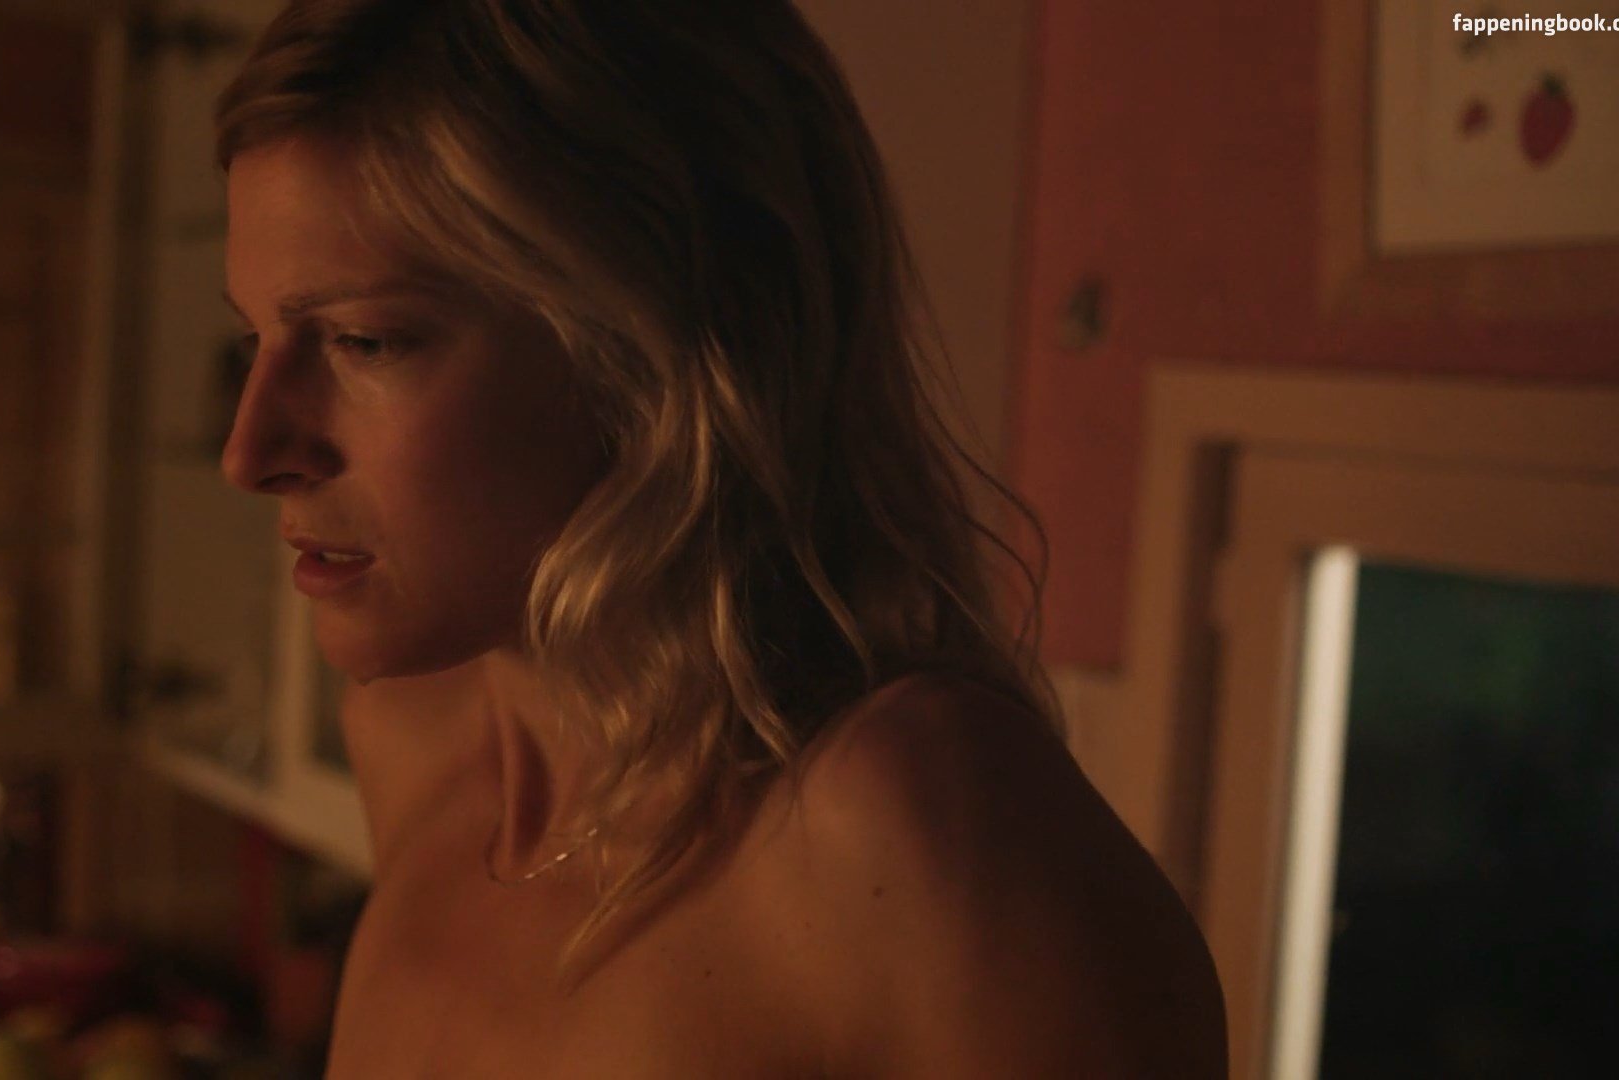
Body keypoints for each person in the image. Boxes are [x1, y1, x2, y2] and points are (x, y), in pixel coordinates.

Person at [215, 0, 1227, 1074]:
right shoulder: (416, 743)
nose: (251, 450)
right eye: (255, 337)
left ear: (650, 346)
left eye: (365, 340)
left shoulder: (913, 839)